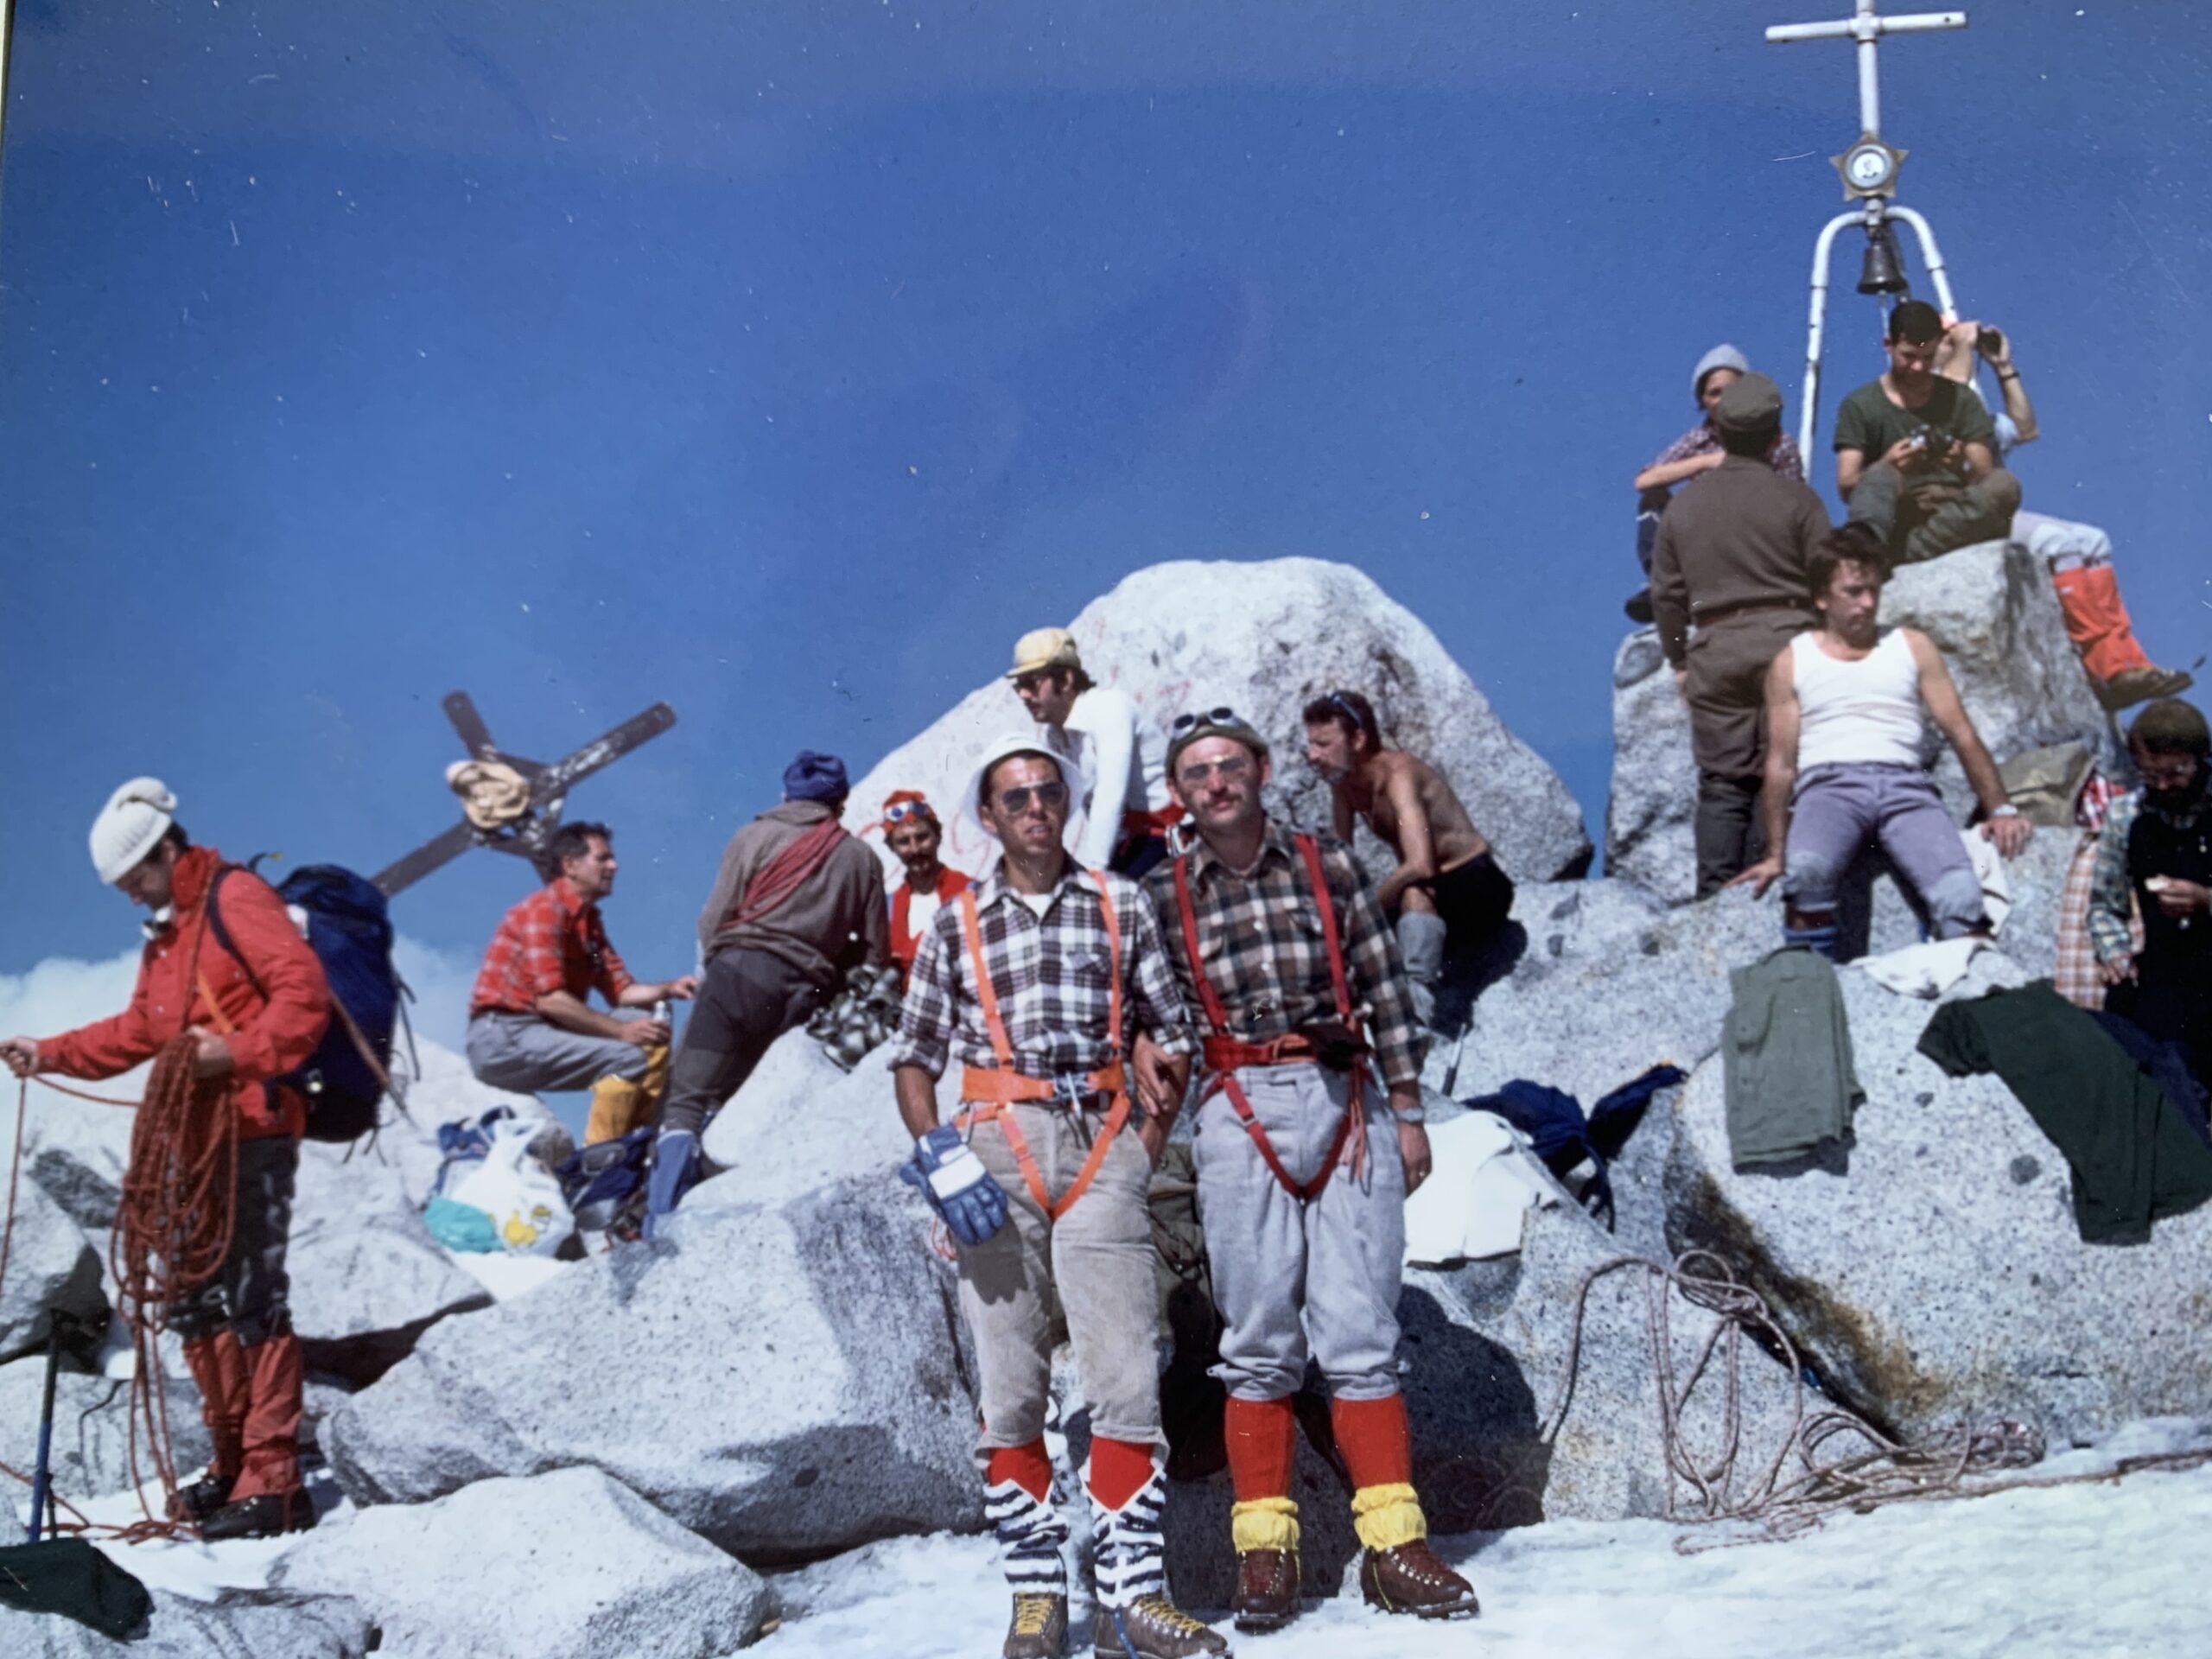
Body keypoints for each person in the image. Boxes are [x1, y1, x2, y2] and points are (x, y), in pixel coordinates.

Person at [1144, 709, 1479, 1631]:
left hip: (1347, 1104)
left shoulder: (1324, 861)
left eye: (1229, 765)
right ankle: (1265, 1558)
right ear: (1181, 793)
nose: (1215, 783)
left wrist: (1407, 1112)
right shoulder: (1163, 894)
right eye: (1196, 772)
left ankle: (1395, 1547)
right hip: (1236, 1108)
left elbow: (1383, 990)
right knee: (1255, 1339)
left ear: (1258, 771)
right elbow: (1155, 1022)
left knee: (1360, 1328)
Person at [890, 734, 1224, 1659]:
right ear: (987, 818)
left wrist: (1140, 1149)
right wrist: (939, 1160)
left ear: (1065, 805)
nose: (1034, 806)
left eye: (1047, 791)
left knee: (1125, 1376)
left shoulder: (1121, 902)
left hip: (1100, 1145)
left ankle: (1139, 1596)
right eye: (1015, 797)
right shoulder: (954, 922)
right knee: (1009, 1386)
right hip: (994, 1152)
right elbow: (914, 1060)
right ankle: (1036, 1599)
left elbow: (1172, 1026)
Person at [2, 780, 331, 1541]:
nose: (129, 897)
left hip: (253, 1126)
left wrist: (237, 1052)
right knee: (191, 1302)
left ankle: (274, 1477)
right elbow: (138, 1030)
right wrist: (46, 1051)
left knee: (252, 1296)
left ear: (164, 852)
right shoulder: (168, 935)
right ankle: (229, 1463)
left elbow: (302, 993)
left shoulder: (234, 897)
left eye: (134, 881)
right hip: (191, 1140)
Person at [1732, 529, 2033, 957]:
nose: (1868, 603)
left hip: (1906, 788)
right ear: (1822, 598)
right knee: (1806, 874)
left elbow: (1960, 730)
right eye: (1853, 592)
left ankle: (1974, 997)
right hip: (1829, 787)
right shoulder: (1793, 660)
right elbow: (1781, 763)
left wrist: (2000, 808)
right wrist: (1777, 852)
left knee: (1961, 895)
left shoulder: (1911, 646)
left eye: (1873, 590)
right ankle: (1809, 985)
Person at [643, 751, 889, 1235]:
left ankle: (659, 1224)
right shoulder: (862, 859)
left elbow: (713, 918)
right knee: (750, 1108)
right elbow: (876, 955)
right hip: (801, 998)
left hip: (733, 975)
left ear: (786, 794)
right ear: (840, 801)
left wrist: (721, 968)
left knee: (688, 1100)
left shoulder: (753, 835)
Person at [1933, 317, 2192, 712]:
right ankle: (2101, 665)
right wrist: (1961, 348)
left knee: (2092, 540)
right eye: (1945, 339)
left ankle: (2127, 660)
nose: (1955, 344)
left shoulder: (1968, 396)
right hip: (1958, 520)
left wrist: (2004, 368)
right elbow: (1946, 401)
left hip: (1995, 516)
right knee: (2054, 542)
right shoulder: (1925, 396)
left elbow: (2025, 428)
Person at [1649, 371, 1834, 896]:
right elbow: (1826, 577)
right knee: (1787, 769)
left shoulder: (1683, 508)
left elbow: (1666, 597)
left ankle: (1714, 904)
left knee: (1724, 785)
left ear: (1719, 434)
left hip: (1716, 649)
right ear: (1778, 437)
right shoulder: (1800, 502)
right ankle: (1774, 895)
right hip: (1790, 648)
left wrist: (1681, 661)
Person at [465, 821, 698, 1147]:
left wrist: (669, 988)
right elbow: (551, 1001)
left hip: (542, 1031)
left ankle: (645, 1136)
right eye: (602, 859)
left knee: (648, 1023)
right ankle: (602, 1158)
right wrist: (619, 1033)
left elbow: (622, 992)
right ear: (571, 866)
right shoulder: (543, 910)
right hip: (503, 1036)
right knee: (628, 1056)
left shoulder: (589, 923)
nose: (613, 866)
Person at [1301, 689, 1515, 1024]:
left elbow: (1420, 865)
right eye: (1311, 745)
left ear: (1358, 739)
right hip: (1430, 895)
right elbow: (1341, 858)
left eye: (1323, 744)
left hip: (1475, 883)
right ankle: (1267, 1015)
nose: (1313, 755)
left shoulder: (1399, 776)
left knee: (1413, 894)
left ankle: (1416, 1006)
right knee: (1329, 946)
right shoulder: (1343, 783)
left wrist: (1361, 911)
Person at [1626, 343, 1808, 622]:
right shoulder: (1699, 441)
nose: (1723, 400)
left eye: (1731, 391)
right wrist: (1707, 462)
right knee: (1653, 499)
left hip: (1754, 542)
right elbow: (1645, 479)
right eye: (1714, 393)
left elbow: (1795, 505)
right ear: (1703, 400)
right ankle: (1665, 586)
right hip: (1702, 540)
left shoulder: (1778, 443)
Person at [1834, 299, 2022, 568]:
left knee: (2004, 485)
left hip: (1955, 510)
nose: (1919, 368)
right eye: (1909, 356)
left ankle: (1907, 553)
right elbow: (1846, 485)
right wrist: (1888, 464)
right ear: (1889, 345)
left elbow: (1984, 473)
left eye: (1928, 357)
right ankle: (1881, 554)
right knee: (1878, 477)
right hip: (1901, 510)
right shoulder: (1861, 404)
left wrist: (1961, 465)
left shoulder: (1961, 399)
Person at [2088, 700, 2211, 1084]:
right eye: (2150, 773)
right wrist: (2113, 952)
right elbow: (2105, 906)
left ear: (2200, 758)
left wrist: (2205, 899)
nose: (2162, 785)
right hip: (2168, 976)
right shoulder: (2127, 816)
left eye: (2176, 772)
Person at [1007, 626, 1183, 878]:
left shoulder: (1110, 707)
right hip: (1128, 846)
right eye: (1019, 686)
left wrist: (1093, 874)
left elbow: (1110, 795)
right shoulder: (1054, 735)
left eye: (1032, 683)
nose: (1024, 695)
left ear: (1066, 680)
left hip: (1168, 837)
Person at [881, 790, 970, 990]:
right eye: (904, 842)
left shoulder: (970, 891)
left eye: (922, 837)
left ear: (938, 836)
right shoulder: (888, 907)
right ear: (892, 848)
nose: (915, 849)